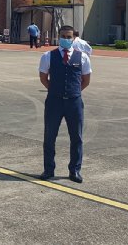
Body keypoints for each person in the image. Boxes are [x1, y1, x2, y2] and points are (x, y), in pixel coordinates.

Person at [38, 25, 92, 183]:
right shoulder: (48, 56)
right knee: (49, 136)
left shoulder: (82, 57)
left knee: (77, 137)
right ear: (58, 37)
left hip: (74, 102)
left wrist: (73, 92)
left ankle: (74, 170)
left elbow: (86, 80)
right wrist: (55, 90)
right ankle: (48, 169)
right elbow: (43, 77)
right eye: (63, 36)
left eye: (69, 37)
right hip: (54, 101)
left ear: (74, 38)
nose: (66, 39)